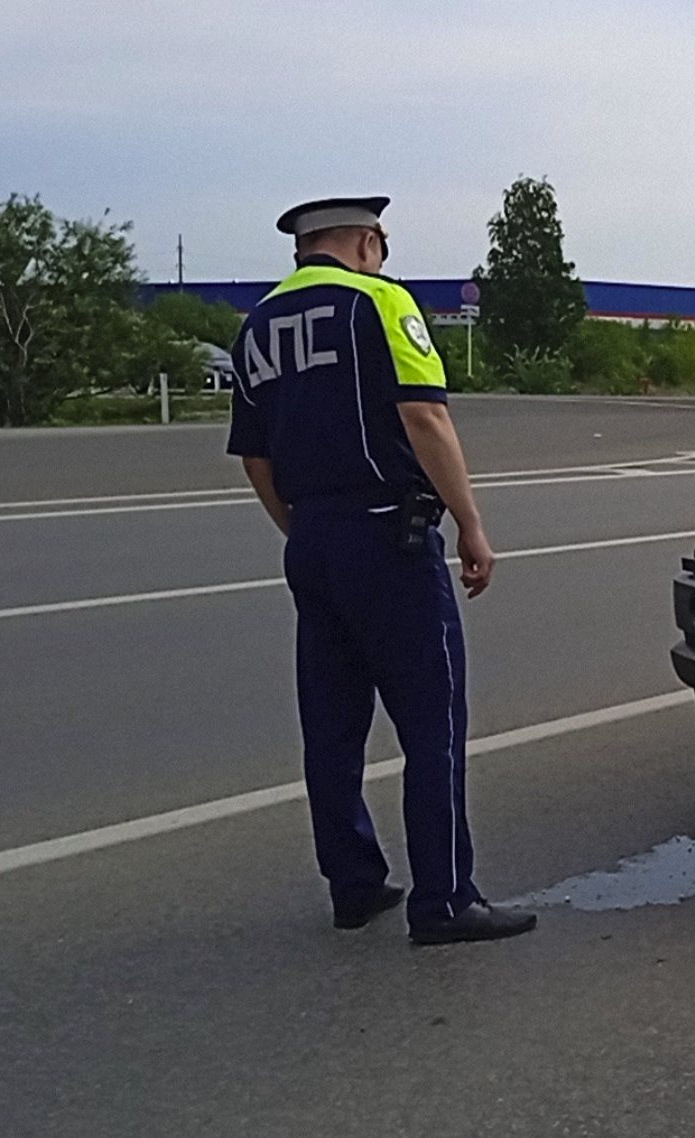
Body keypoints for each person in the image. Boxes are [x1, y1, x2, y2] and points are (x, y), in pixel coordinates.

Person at [227, 196, 535, 944]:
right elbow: (424, 416)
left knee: (332, 727)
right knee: (433, 723)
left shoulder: (257, 325)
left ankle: (354, 884)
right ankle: (445, 900)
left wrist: (302, 529)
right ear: (365, 242)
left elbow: (254, 455)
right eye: (381, 245)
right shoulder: (380, 303)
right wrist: (470, 522)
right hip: (387, 536)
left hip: (312, 539)